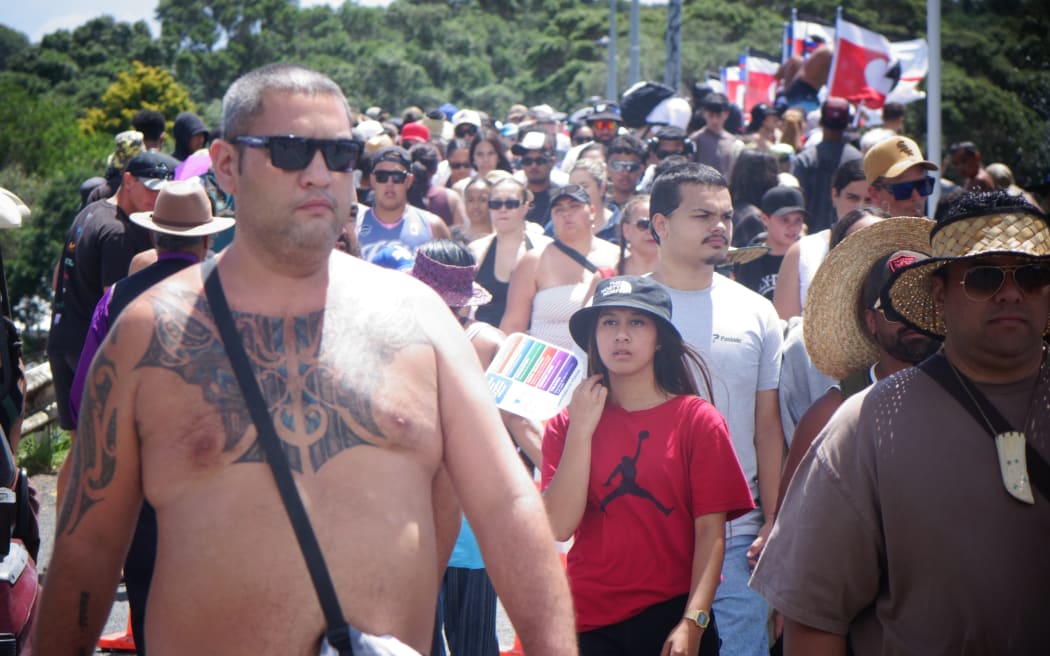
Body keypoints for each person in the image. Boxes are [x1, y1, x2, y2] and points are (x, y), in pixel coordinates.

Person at [37, 63, 576, 655]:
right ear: (225, 164)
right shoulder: (148, 335)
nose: (320, 173)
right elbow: (87, 548)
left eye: (340, 154)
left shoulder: (423, 320)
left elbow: (507, 508)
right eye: (290, 150)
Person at [751, 190, 1050, 654]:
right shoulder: (861, 424)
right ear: (940, 292)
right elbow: (812, 621)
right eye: (984, 276)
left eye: (1032, 276)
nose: (1010, 292)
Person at [61, 179, 235, 655]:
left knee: (147, 607)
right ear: (208, 239)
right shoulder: (236, 300)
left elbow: (84, 403)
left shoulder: (117, 298)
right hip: (219, 484)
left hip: (141, 483)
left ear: (156, 237)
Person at [542, 275, 755, 656]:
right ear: (594, 336)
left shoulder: (697, 420)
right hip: (587, 624)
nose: (621, 335)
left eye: (636, 322)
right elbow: (559, 525)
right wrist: (581, 431)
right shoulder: (566, 423)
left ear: (660, 339)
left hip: (673, 618)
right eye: (609, 322)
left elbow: (712, 534)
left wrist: (694, 622)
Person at [649, 163, 785, 656]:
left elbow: (767, 428)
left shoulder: (756, 311)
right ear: (660, 224)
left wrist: (774, 520)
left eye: (725, 215)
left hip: (736, 534)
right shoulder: (621, 309)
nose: (720, 227)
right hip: (644, 528)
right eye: (702, 215)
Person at [409, 241, 543, 656]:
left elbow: (524, 424)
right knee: (474, 644)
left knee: (417, 640)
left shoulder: (402, 335)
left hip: (418, 517)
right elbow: (526, 426)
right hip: (468, 519)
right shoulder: (494, 342)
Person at [779, 217, 938, 506]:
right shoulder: (832, 412)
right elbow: (790, 523)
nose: (910, 317)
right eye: (893, 307)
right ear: (870, 321)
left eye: (921, 302)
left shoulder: (969, 394)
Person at [47, 151, 176, 450]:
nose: (156, 198)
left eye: (161, 191)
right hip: (90, 351)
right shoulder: (119, 233)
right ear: (128, 180)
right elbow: (117, 305)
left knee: (79, 451)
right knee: (107, 451)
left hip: (61, 340)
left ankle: (68, 499)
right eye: (150, 188)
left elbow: (57, 279)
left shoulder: (89, 213)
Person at [501, 184, 619, 351]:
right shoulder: (534, 260)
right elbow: (513, 326)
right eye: (559, 210)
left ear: (592, 211)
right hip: (547, 367)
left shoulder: (617, 256)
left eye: (574, 207)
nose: (567, 214)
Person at [773, 159, 871, 319]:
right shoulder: (803, 251)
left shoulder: (889, 252)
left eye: (868, 200)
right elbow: (787, 327)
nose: (860, 207)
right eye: (852, 198)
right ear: (834, 195)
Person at [471, 177, 551, 328]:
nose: (503, 209)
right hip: (486, 340)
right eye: (496, 204)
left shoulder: (545, 248)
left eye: (511, 204)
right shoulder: (475, 250)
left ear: (525, 207)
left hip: (530, 340)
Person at [356, 145, 451, 262]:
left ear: (409, 180)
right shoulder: (354, 226)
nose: (389, 183)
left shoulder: (433, 226)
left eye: (397, 177)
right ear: (372, 180)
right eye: (382, 177)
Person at [791, 97, 861, 233]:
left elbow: (795, 204)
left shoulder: (804, 160)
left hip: (809, 240)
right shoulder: (858, 160)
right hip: (849, 239)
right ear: (847, 123)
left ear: (821, 122)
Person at [734, 186, 806, 301]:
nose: (792, 227)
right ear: (764, 219)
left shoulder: (807, 258)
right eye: (785, 220)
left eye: (798, 220)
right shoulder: (749, 260)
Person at [863, 135, 939, 217]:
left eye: (922, 186)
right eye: (904, 189)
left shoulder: (942, 229)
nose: (917, 197)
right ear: (874, 194)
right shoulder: (855, 229)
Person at [514, 128, 565, 227]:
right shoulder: (514, 198)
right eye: (527, 161)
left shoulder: (562, 198)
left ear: (552, 161)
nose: (533, 166)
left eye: (540, 160)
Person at [688, 93, 742, 178]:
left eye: (718, 116)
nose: (714, 120)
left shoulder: (733, 141)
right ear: (704, 114)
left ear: (726, 115)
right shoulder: (696, 139)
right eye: (711, 116)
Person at [616, 194, 658, 276]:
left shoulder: (684, 276)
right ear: (626, 230)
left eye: (658, 224)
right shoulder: (606, 277)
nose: (651, 231)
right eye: (643, 224)